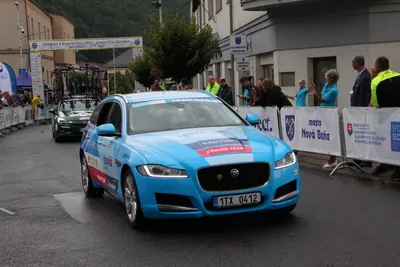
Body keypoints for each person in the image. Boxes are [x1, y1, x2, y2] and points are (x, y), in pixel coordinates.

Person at [369, 56, 400, 179]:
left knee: (385, 143)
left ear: (377, 67)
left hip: (384, 118)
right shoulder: (398, 75)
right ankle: (389, 166)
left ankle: (392, 168)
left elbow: (375, 103)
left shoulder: (376, 81)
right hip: (397, 116)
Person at [309, 69, 339, 169]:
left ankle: (333, 159)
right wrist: (314, 88)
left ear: (330, 78)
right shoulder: (327, 85)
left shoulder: (334, 90)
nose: (325, 77)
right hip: (323, 113)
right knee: (326, 136)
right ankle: (331, 158)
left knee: (331, 136)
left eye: (326, 76)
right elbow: (321, 94)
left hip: (330, 114)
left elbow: (321, 99)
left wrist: (313, 92)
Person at [350, 55, 372, 168]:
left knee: (363, 136)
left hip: (361, 112)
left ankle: (366, 160)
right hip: (357, 111)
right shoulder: (359, 76)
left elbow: (364, 96)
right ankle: (358, 158)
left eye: (353, 63)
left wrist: (360, 111)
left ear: (357, 63)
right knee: (358, 136)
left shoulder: (365, 77)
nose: (352, 65)